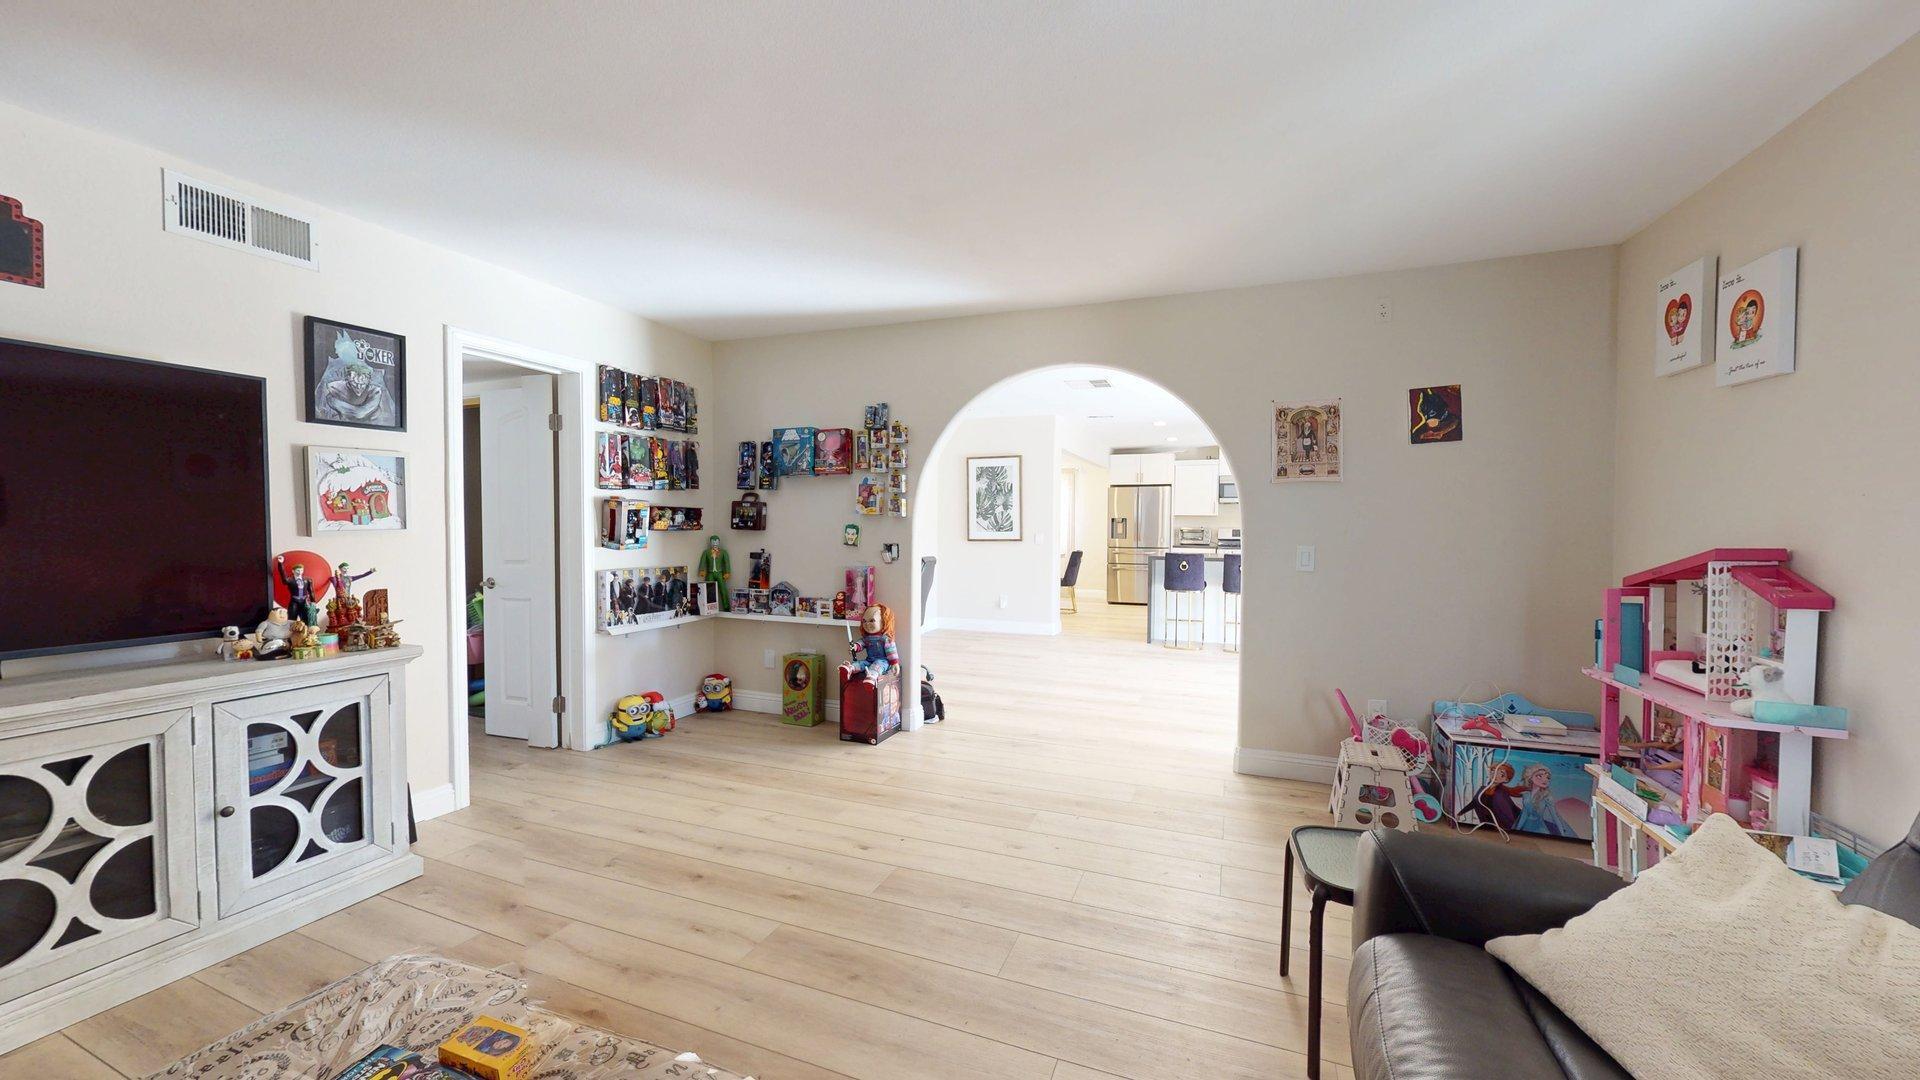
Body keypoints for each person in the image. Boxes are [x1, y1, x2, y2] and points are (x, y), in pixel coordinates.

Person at [847, 603, 899, 680]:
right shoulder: (867, 638)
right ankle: (850, 669)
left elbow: (891, 651)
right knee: (861, 664)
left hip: (883, 662)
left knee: (877, 666)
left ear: (883, 622)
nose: (867, 624)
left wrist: (894, 663)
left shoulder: (885, 639)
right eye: (864, 621)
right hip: (869, 660)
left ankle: (871, 677)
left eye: (872, 620)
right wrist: (855, 647)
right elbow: (861, 643)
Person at [698, 536, 732, 611]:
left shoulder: (723, 552)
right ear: (710, 543)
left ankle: (726, 607)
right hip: (710, 573)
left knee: (723, 590)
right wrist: (702, 570)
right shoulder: (706, 552)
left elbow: (727, 563)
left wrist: (727, 572)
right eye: (713, 542)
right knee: (709, 589)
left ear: (719, 542)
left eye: (716, 542)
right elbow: (703, 562)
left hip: (720, 573)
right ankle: (709, 608)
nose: (715, 544)